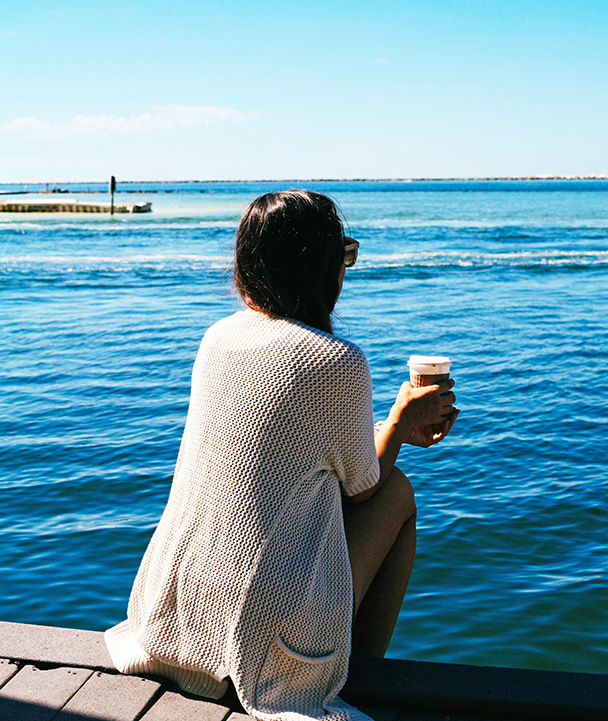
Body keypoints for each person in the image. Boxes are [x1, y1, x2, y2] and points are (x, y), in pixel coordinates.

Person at [105, 190, 458, 721]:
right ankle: (351, 676)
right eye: (344, 255)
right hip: (258, 637)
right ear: (323, 268)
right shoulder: (335, 361)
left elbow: (293, 456)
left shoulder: (218, 337)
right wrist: (401, 425)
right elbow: (363, 485)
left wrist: (391, 428)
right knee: (399, 494)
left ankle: (340, 667)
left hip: (169, 616)